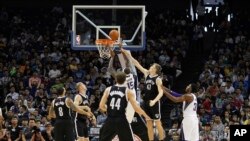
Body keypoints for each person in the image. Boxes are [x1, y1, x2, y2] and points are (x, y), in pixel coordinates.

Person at [121, 48, 165, 141]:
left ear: (155, 70)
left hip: (154, 102)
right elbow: (136, 63)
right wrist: (126, 53)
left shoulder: (158, 79)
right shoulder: (146, 74)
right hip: (146, 102)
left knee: (158, 123)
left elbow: (161, 92)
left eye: (152, 66)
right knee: (149, 123)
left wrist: (154, 101)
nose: (150, 67)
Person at [99, 72, 150, 141]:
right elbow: (136, 108)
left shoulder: (108, 89)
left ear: (116, 79)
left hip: (110, 119)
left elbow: (101, 106)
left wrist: (111, 110)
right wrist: (146, 116)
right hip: (121, 120)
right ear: (125, 80)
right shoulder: (128, 91)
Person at [107, 48, 138, 123]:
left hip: (128, 97)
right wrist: (118, 51)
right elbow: (111, 68)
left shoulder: (126, 71)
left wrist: (113, 55)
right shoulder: (127, 73)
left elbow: (111, 68)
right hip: (128, 97)